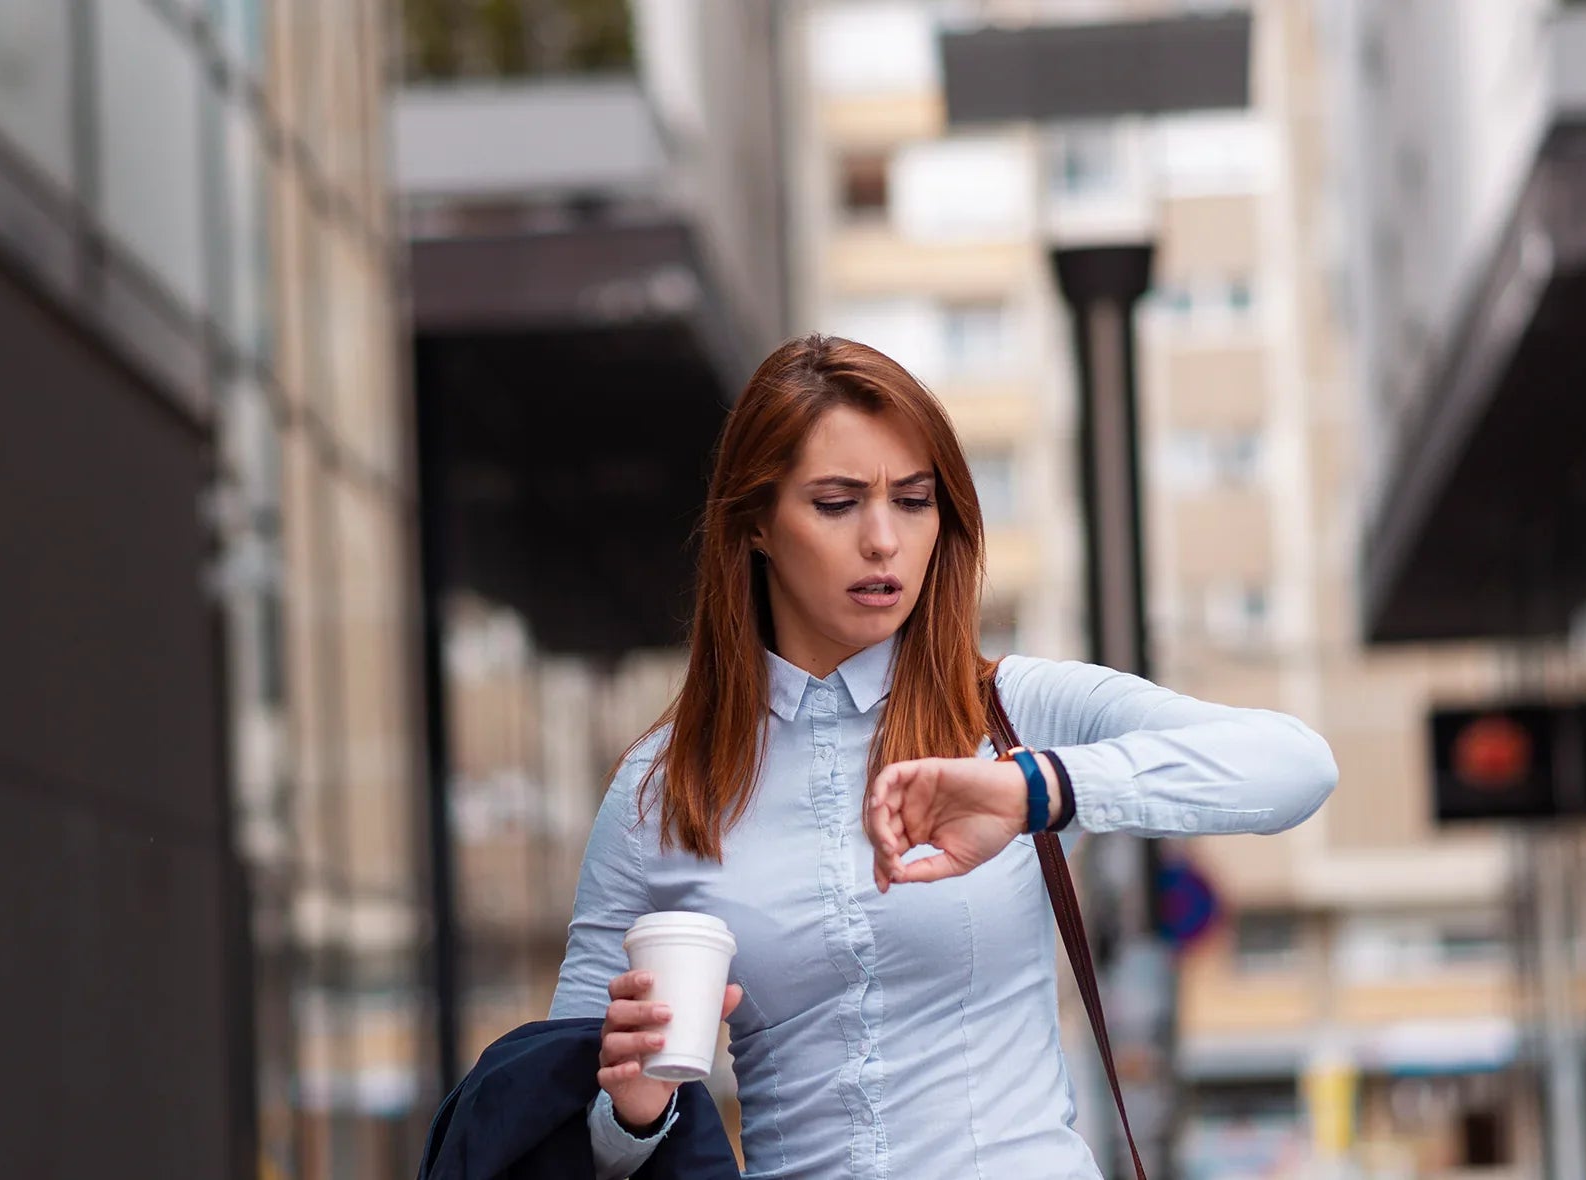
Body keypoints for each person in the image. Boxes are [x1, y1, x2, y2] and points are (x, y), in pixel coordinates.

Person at [551, 335, 1337, 1179]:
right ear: (755, 527)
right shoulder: (663, 791)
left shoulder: (1010, 713)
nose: (885, 540)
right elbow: (560, 1133)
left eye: (915, 500)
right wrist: (634, 1111)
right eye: (836, 502)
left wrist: (1036, 788)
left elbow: (1295, 766)